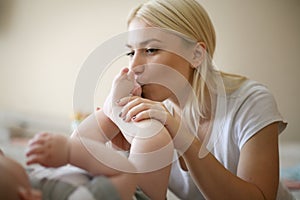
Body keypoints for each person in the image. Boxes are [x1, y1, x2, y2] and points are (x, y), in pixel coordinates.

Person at [27, 0, 294, 199]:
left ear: (196, 55)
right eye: (131, 53)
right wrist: (114, 124)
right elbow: (83, 161)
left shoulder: (251, 102)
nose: (134, 67)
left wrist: (183, 137)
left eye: (151, 49)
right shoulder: (148, 111)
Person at [26, 67, 174, 200]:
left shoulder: (28, 176)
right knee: (153, 138)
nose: (1, 153)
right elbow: (125, 173)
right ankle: (117, 109)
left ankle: (113, 108)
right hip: (131, 188)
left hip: (81, 173)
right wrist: (68, 150)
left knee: (82, 139)